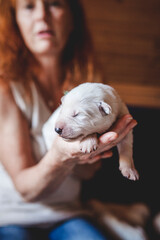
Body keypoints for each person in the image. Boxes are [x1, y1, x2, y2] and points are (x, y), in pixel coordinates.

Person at [0, 0, 137, 239]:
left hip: (68, 213)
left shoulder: (91, 85)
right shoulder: (5, 88)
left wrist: (91, 155)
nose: (42, 16)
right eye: (29, 6)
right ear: (15, 21)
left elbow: (87, 174)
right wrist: (61, 156)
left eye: (54, 3)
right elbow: (26, 191)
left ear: (72, 18)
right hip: (12, 215)